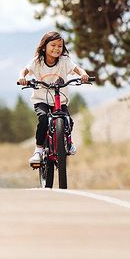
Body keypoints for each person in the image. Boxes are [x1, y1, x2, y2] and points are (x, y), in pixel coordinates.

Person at [18, 30, 90, 166]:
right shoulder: (37, 62)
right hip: (41, 100)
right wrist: (22, 77)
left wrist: (83, 74)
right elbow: (24, 70)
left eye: (59, 46)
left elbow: (77, 69)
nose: (57, 48)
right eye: (53, 45)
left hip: (60, 99)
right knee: (44, 119)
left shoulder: (64, 61)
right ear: (44, 47)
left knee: (68, 120)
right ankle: (39, 150)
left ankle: (67, 143)